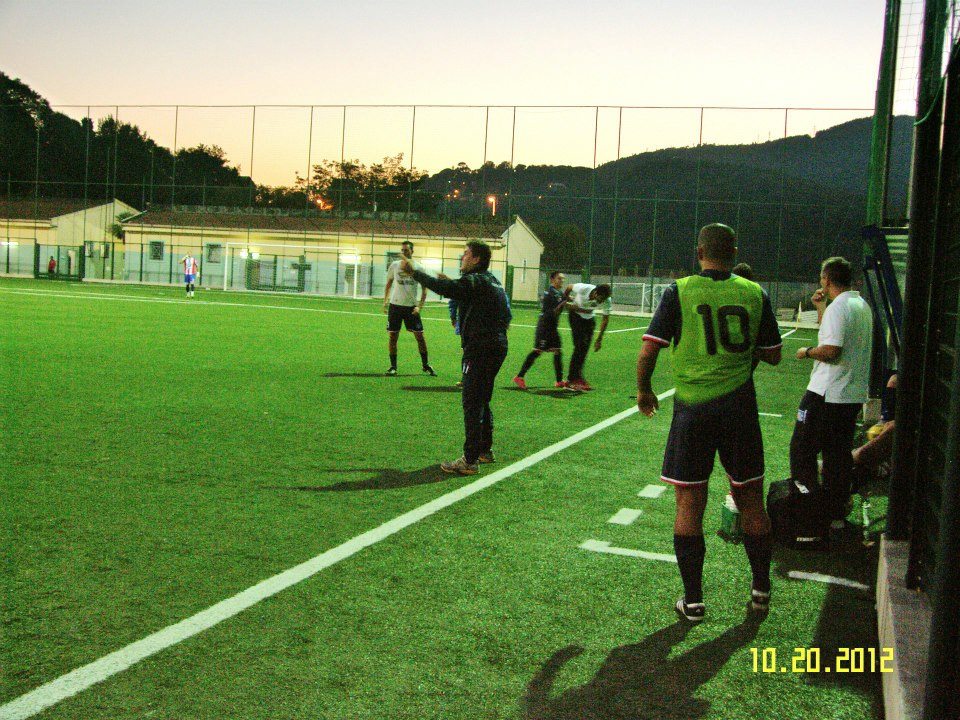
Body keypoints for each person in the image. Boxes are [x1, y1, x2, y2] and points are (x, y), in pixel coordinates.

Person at [636, 223, 783, 623]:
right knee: (750, 498)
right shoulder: (755, 293)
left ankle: (695, 601)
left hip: (693, 410)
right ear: (734, 253)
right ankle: (761, 589)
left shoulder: (679, 290)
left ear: (699, 251)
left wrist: (644, 390)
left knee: (690, 502)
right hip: (739, 408)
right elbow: (773, 355)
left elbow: (650, 349)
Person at [402, 241, 511, 475]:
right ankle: (484, 450)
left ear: (477, 259)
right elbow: (507, 315)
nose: (462, 258)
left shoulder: (475, 281)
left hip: (480, 348)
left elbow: (448, 290)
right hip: (497, 345)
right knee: (482, 399)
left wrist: (417, 273)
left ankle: (470, 460)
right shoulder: (493, 282)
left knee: (472, 401)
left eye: (466, 254)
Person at [792, 257, 873, 531]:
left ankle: (806, 511)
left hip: (827, 393)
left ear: (826, 279)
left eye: (821, 277)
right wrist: (820, 307)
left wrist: (807, 353)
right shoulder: (860, 305)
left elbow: (831, 349)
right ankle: (834, 512)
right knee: (837, 456)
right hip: (850, 395)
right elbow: (835, 335)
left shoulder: (840, 307)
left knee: (802, 450)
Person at [383, 241, 435, 377]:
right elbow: (388, 284)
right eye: (402, 250)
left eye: (406, 250)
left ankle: (425, 365)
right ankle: (393, 367)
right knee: (393, 336)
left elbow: (424, 289)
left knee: (420, 336)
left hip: (411, 307)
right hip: (395, 306)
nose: (404, 252)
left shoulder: (418, 268)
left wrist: (419, 306)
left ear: (412, 251)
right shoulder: (394, 266)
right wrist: (385, 301)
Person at [513, 271, 568, 390]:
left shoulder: (559, 293)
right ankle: (519, 376)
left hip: (553, 327)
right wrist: (563, 303)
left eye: (563, 279)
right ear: (552, 280)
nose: (562, 281)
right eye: (559, 279)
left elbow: (564, 302)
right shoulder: (549, 293)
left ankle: (559, 381)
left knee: (558, 351)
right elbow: (552, 312)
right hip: (545, 327)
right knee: (537, 351)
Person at [562, 281, 612, 391]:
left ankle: (578, 377)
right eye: (601, 298)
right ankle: (570, 380)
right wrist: (565, 298)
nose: (602, 301)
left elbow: (605, 319)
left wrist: (599, 339)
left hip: (589, 319)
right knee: (579, 346)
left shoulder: (607, 300)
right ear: (595, 293)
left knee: (585, 349)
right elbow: (569, 286)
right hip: (575, 316)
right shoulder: (584, 288)